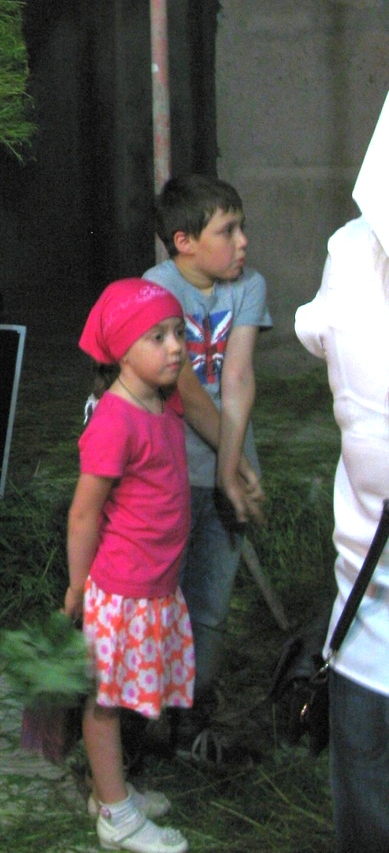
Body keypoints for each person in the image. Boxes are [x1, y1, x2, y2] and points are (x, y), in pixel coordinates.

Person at [295, 92, 389, 853]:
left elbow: (314, 333)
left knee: (369, 848)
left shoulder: (348, 253)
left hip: (363, 619)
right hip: (367, 617)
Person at [67, 278, 195, 853]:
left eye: (178, 334)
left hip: (154, 586)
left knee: (120, 696)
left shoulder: (164, 403)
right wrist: (78, 587)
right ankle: (116, 815)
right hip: (121, 589)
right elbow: (83, 513)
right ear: (121, 349)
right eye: (157, 337)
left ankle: (109, 790)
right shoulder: (114, 420)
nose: (175, 347)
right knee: (105, 701)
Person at [144, 176, 268, 759]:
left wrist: (232, 466)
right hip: (170, 473)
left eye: (241, 227)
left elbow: (237, 376)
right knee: (159, 592)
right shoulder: (156, 287)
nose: (243, 242)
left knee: (212, 599)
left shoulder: (249, 286)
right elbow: (185, 387)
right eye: (228, 230)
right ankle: (143, 721)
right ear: (184, 241)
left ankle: (193, 718)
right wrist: (229, 467)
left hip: (228, 462)